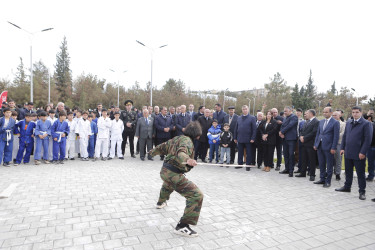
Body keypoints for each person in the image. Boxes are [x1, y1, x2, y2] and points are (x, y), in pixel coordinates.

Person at [149, 121, 203, 237]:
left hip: (165, 171)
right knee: (196, 195)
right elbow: (181, 152)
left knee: (168, 184)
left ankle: (160, 202)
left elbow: (163, 146)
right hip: (173, 173)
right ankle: (182, 226)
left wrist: (152, 152)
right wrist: (188, 159)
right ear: (197, 135)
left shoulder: (177, 138)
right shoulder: (187, 141)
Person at [336, 106, 373, 200]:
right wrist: (342, 148)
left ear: (361, 112)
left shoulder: (366, 124)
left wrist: (363, 152)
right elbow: (345, 136)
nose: (355, 114)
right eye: (353, 112)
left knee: (360, 173)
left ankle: (362, 191)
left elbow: (368, 140)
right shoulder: (348, 122)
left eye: (357, 112)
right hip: (348, 152)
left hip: (359, 153)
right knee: (348, 172)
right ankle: (347, 187)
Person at [313, 107, 340, 187]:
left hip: (329, 147)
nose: (324, 113)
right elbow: (318, 134)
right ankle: (322, 179)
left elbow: (336, 136)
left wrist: (333, 147)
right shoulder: (321, 122)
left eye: (326, 112)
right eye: (324, 112)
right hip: (320, 146)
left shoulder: (335, 122)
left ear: (331, 113)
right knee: (321, 163)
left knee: (329, 165)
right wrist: (316, 144)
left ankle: (328, 181)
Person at [296, 109, 319, 181]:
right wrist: (301, 136)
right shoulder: (306, 121)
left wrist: (304, 138)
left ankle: (312, 175)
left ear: (311, 114)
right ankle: (303, 173)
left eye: (307, 113)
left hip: (310, 143)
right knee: (303, 159)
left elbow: (314, 132)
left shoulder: (316, 122)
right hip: (303, 143)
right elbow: (302, 130)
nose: (306, 114)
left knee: (312, 160)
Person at [234, 105, 257, 171]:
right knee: (240, 152)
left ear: (248, 109)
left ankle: (248, 165)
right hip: (240, 138)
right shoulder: (239, 118)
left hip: (249, 139)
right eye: (243, 109)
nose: (244, 110)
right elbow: (236, 128)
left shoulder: (252, 118)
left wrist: (253, 138)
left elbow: (254, 129)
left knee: (249, 153)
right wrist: (235, 138)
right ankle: (240, 164)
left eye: (246, 109)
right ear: (242, 110)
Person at [279, 106, 298, 177]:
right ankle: (286, 169)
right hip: (284, 138)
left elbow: (290, 126)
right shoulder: (285, 118)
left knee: (291, 155)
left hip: (291, 139)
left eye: (286, 111)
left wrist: (282, 132)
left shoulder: (294, 117)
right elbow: (283, 126)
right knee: (286, 154)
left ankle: (291, 170)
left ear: (290, 111)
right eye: (284, 111)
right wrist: (280, 132)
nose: (284, 112)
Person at [333, 111, 346, 181]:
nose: (334, 116)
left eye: (336, 115)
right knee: (331, 159)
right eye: (333, 115)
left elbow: (343, 133)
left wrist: (334, 137)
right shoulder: (331, 123)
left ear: (339, 116)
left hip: (338, 143)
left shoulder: (343, 124)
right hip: (330, 143)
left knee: (338, 159)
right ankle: (331, 171)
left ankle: (337, 173)